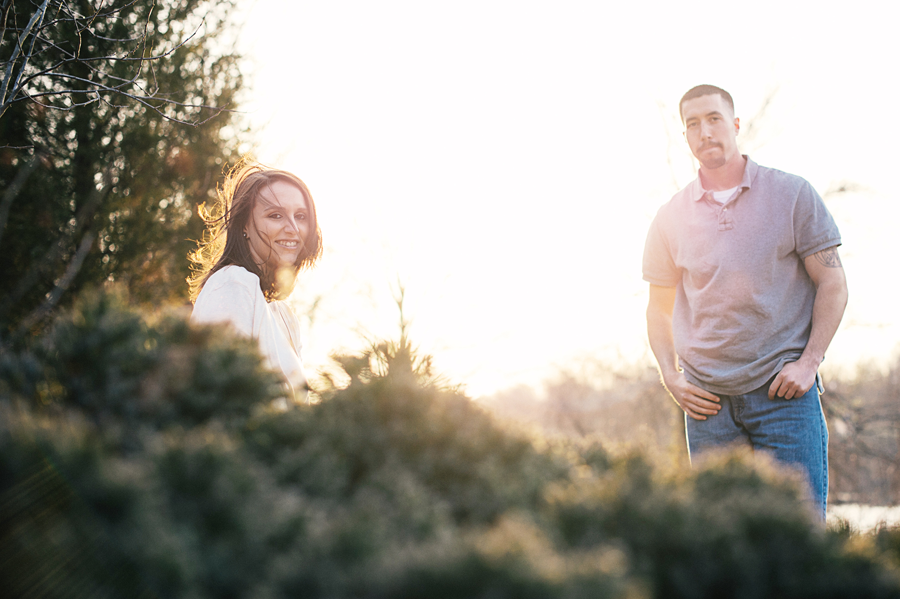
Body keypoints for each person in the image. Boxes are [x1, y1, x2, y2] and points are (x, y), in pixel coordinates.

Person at [642, 84, 848, 519]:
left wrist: (809, 362)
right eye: (692, 124)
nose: (704, 131)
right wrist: (670, 376)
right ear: (685, 137)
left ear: (735, 125)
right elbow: (657, 308)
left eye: (714, 118)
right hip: (707, 407)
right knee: (725, 555)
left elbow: (833, 283)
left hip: (784, 399)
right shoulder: (669, 217)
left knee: (800, 546)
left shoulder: (791, 195)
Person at [188, 161, 323, 402]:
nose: (293, 228)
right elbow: (219, 398)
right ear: (244, 226)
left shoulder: (283, 315)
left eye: (300, 216)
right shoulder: (232, 285)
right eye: (275, 215)